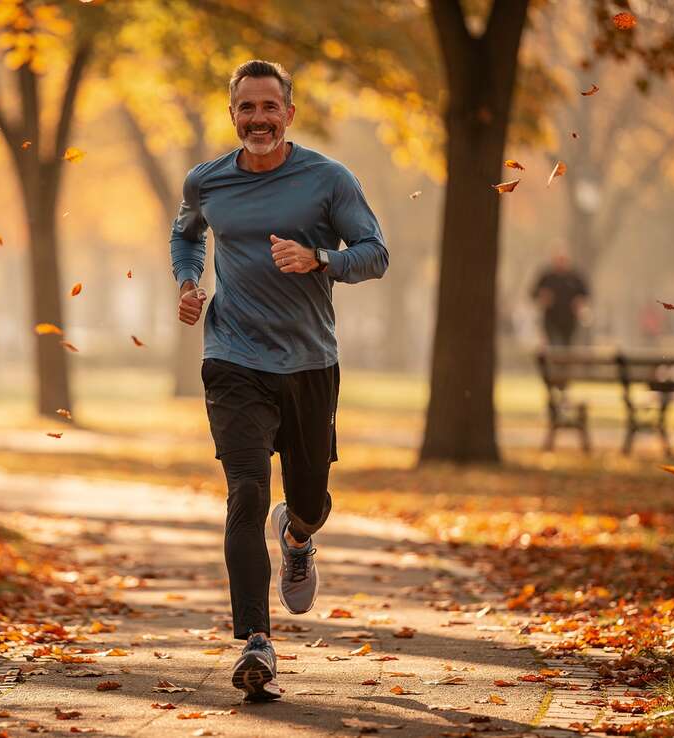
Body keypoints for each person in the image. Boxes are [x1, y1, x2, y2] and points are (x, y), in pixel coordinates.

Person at [170, 60, 389, 702]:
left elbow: (375, 253)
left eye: (271, 107)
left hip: (309, 363)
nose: (258, 119)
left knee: (313, 503)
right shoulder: (206, 180)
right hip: (233, 358)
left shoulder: (327, 179)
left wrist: (319, 257)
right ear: (232, 115)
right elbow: (186, 238)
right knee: (242, 491)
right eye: (247, 108)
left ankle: (296, 535)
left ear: (289, 113)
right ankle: (255, 640)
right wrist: (189, 283)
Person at [530, 252, 589, 347]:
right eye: (558, 259)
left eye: (563, 259)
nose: (561, 262)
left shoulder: (575, 277)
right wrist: (542, 298)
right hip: (551, 320)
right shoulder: (547, 277)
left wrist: (579, 303)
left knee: (568, 347)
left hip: (570, 320)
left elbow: (585, 294)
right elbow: (534, 294)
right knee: (554, 345)